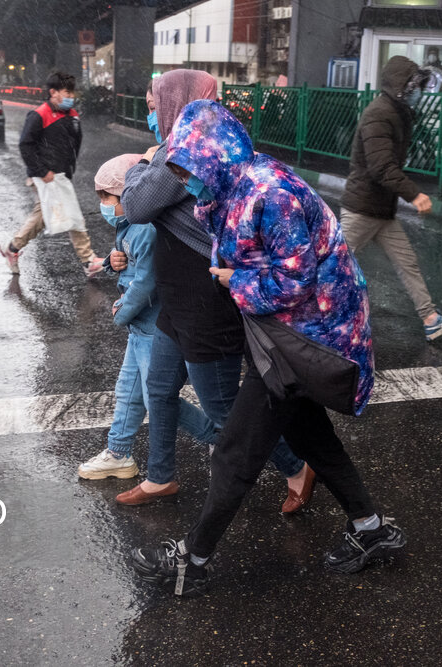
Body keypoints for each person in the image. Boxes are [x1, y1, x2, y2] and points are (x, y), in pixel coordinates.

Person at [131, 101, 404, 597]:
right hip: (285, 333)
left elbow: (295, 281)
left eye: (189, 171)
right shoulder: (231, 186)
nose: (185, 182)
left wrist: (234, 281)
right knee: (311, 437)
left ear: (214, 157)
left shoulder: (270, 193)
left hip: (309, 334)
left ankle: (193, 560)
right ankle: (371, 529)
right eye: (179, 172)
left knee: (235, 451)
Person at [113, 69, 315, 512]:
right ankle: (160, 477)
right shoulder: (181, 148)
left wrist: (142, 164)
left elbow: (137, 206)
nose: (153, 116)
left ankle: (296, 467)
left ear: (176, 103)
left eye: (155, 107)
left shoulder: (189, 150)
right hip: (176, 299)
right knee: (159, 390)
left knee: (223, 408)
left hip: (207, 303)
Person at [77, 154, 218, 479]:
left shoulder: (144, 229)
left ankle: (217, 436)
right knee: (129, 393)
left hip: (154, 328)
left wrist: (122, 311)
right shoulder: (130, 226)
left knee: (158, 400)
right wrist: (113, 261)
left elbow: (145, 282)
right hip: (142, 328)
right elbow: (132, 264)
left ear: (127, 195)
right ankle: (118, 452)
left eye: (108, 198)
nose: (104, 206)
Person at [340, 56, 442, 342]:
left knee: (407, 263)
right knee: (333, 264)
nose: (419, 92)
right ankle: (303, 315)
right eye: (415, 86)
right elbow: (381, 167)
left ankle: (431, 319)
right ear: (401, 87)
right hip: (362, 209)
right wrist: (414, 194)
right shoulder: (378, 114)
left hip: (382, 210)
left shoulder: (397, 112)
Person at [0, 71, 104, 277]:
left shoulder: (72, 115)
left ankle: (11, 248)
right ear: (53, 92)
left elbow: (73, 143)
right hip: (47, 176)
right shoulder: (40, 115)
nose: (71, 96)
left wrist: (68, 167)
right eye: (67, 92)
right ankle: (88, 260)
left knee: (41, 218)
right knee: (73, 214)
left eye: (72, 92)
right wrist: (42, 171)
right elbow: (26, 145)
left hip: (60, 175)